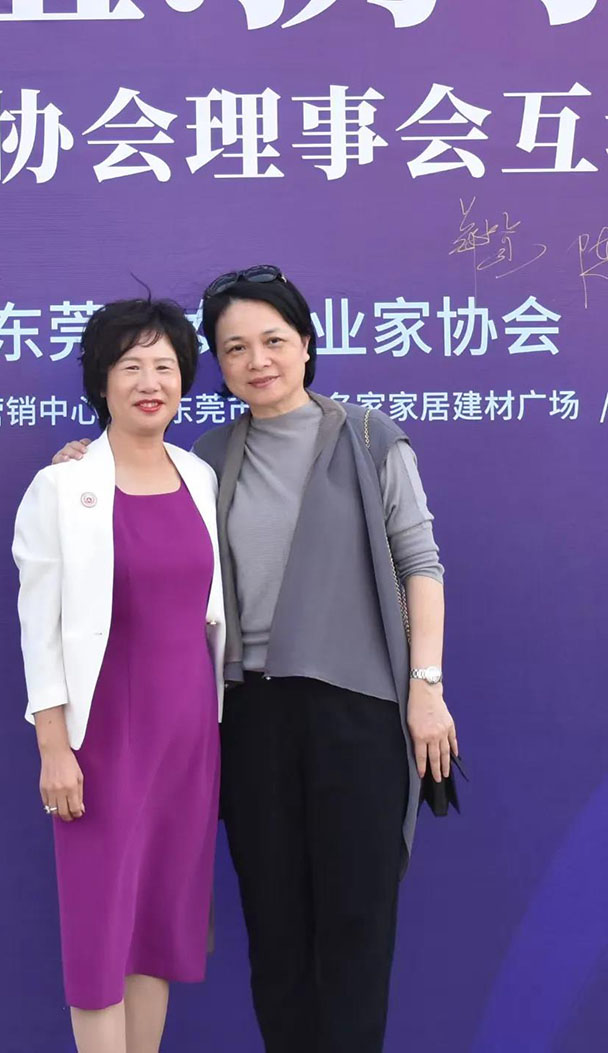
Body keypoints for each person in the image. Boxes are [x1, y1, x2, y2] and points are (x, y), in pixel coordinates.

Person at [53, 265, 457, 1053]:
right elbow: (135, 503)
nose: (257, 360)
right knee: (275, 929)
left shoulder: (371, 437)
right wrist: (83, 469)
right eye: (235, 348)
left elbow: (421, 564)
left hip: (359, 711)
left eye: (273, 340)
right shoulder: (207, 457)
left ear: (306, 344)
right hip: (248, 716)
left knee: (355, 925)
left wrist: (427, 686)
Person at [13, 297, 226, 1053]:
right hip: (101, 739)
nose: (149, 382)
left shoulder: (201, 476)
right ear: (101, 381)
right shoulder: (60, 488)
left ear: (185, 380)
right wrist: (54, 748)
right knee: (101, 928)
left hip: (190, 735)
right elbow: (39, 628)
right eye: (130, 366)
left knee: (158, 926)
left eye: (165, 366)